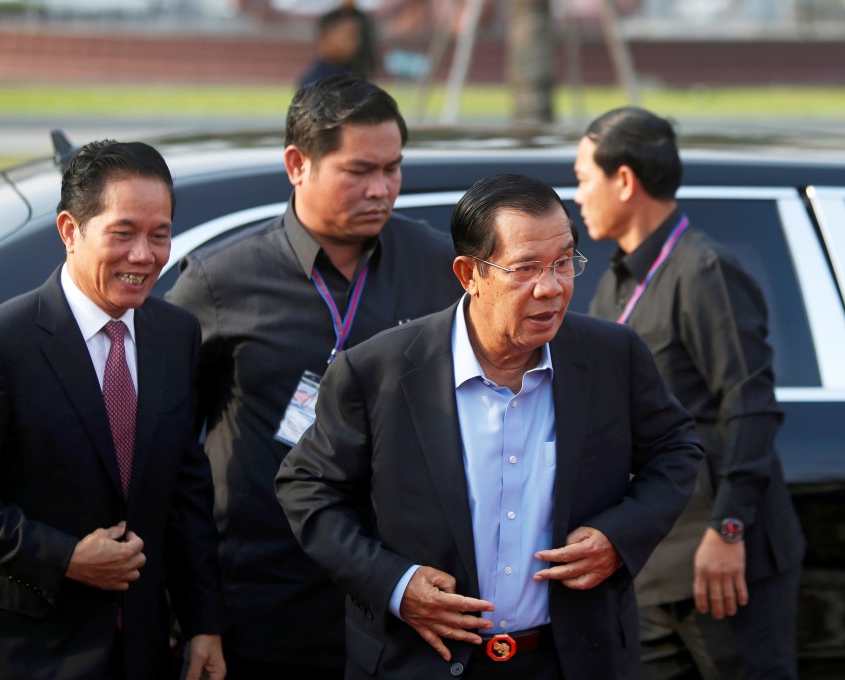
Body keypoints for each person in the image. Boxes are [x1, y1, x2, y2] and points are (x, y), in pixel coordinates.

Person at [275, 173, 705, 680]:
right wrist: (396, 584)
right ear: (468, 273)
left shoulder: (613, 355)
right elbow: (306, 489)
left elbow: (678, 448)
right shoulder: (379, 371)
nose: (551, 288)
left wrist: (620, 537)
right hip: (420, 661)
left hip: (572, 658)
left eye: (564, 263)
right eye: (525, 268)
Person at [165, 74, 464, 678]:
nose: (382, 189)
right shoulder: (221, 283)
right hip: (266, 593)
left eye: (393, 168)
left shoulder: (440, 268)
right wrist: (197, 612)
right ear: (298, 164)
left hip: (405, 593)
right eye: (359, 171)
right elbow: (170, 456)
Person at [0, 140, 225, 680]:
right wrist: (63, 557)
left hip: (140, 647)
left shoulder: (175, 334)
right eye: (124, 233)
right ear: (70, 230)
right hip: (29, 649)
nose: (145, 255)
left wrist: (204, 622)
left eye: (160, 235)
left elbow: (185, 491)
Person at [576, 107, 805, 679]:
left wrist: (729, 529)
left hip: (720, 560)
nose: (577, 195)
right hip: (650, 560)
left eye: (583, 179)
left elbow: (750, 405)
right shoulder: (613, 283)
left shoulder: (703, 271)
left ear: (623, 181)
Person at [298, 7, 365, 86]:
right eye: (349, 34)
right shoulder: (315, 83)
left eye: (357, 34)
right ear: (325, 36)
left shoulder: (354, 72)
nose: (356, 40)